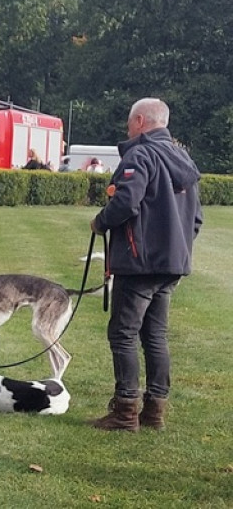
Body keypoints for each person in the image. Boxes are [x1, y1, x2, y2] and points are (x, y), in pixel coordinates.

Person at [89, 97, 202, 432]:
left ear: (139, 121)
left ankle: (125, 411)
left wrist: (100, 222)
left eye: (129, 122)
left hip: (140, 264)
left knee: (123, 333)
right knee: (155, 335)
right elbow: (196, 218)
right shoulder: (183, 158)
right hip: (171, 264)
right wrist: (177, 250)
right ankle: (155, 411)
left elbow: (125, 201)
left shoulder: (140, 155)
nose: (128, 128)